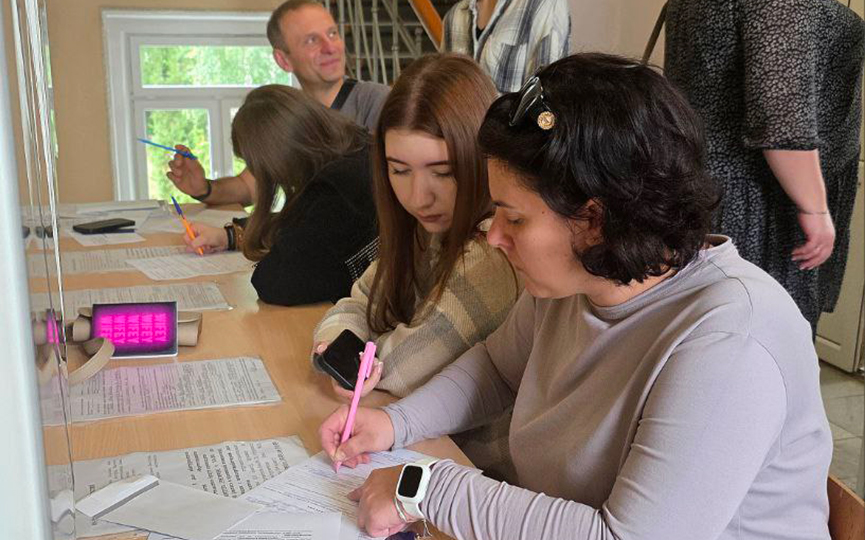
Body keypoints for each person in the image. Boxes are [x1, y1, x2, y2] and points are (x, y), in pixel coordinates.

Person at [318, 54, 833, 540]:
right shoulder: (576, 281)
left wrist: (423, 489)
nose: (494, 235)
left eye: (514, 217)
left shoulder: (730, 339)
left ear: (593, 220)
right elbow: (496, 370)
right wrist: (392, 423)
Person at [311, 53, 519, 404]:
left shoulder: (494, 252)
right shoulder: (424, 231)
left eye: (443, 172)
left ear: (482, 160)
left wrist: (354, 355)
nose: (418, 198)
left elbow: (398, 372)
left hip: (466, 454)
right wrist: (337, 344)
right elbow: (357, 304)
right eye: (399, 170)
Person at [664, 0, 865, 334]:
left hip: (702, 190)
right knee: (760, 339)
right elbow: (780, 120)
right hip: (759, 207)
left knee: (709, 331)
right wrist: (815, 209)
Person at [167, 0, 390, 206]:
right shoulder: (292, 114)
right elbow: (250, 186)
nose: (330, 47)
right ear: (283, 60)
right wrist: (204, 189)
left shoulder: (379, 103)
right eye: (312, 40)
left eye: (332, 34)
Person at [183, 85, 377, 306]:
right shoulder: (358, 150)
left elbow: (274, 283)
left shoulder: (337, 188)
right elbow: (304, 224)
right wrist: (230, 236)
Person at [441, 0, 571, 93]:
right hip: (461, 131)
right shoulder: (453, 17)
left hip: (513, 131)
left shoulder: (543, 4)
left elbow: (549, 100)